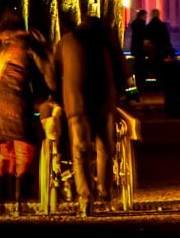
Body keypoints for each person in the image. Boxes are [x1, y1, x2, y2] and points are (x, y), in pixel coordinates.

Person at [0, 7, 52, 216]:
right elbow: (40, 75)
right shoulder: (26, 46)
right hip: (17, 102)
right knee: (24, 150)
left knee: (2, 151)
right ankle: (21, 202)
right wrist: (44, 97)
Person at [55, 13, 126, 217]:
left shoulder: (66, 42)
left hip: (76, 104)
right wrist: (120, 93)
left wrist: (57, 96)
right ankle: (105, 192)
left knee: (80, 150)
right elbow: (121, 69)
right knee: (105, 147)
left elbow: (54, 72)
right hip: (103, 101)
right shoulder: (106, 41)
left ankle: (85, 199)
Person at [128, 9, 148, 79]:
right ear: (142, 16)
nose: (146, 18)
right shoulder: (142, 24)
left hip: (135, 48)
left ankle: (138, 81)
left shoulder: (134, 23)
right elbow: (144, 36)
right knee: (141, 67)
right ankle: (141, 82)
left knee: (137, 66)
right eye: (145, 16)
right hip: (140, 49)